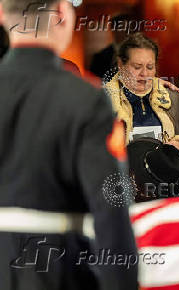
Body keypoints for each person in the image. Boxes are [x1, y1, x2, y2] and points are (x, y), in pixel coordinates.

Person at [0, 1, 137, 290]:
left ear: (1, 15)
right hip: (56, 270)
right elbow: (110, 207)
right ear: (62, 12)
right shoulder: (86, 98)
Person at [103, 33, 179, 199]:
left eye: (150, 67)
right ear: (121, 64)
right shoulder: (101, 103)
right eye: (137, 66)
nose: (144, 74)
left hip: (169, 198)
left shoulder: (176, 101)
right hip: (122, 198)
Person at [90, 14, 131, 79]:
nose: (125, 32)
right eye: (122, 28)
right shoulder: (99, 58)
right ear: (113, 29)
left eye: (127, 28)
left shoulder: (137, 55)